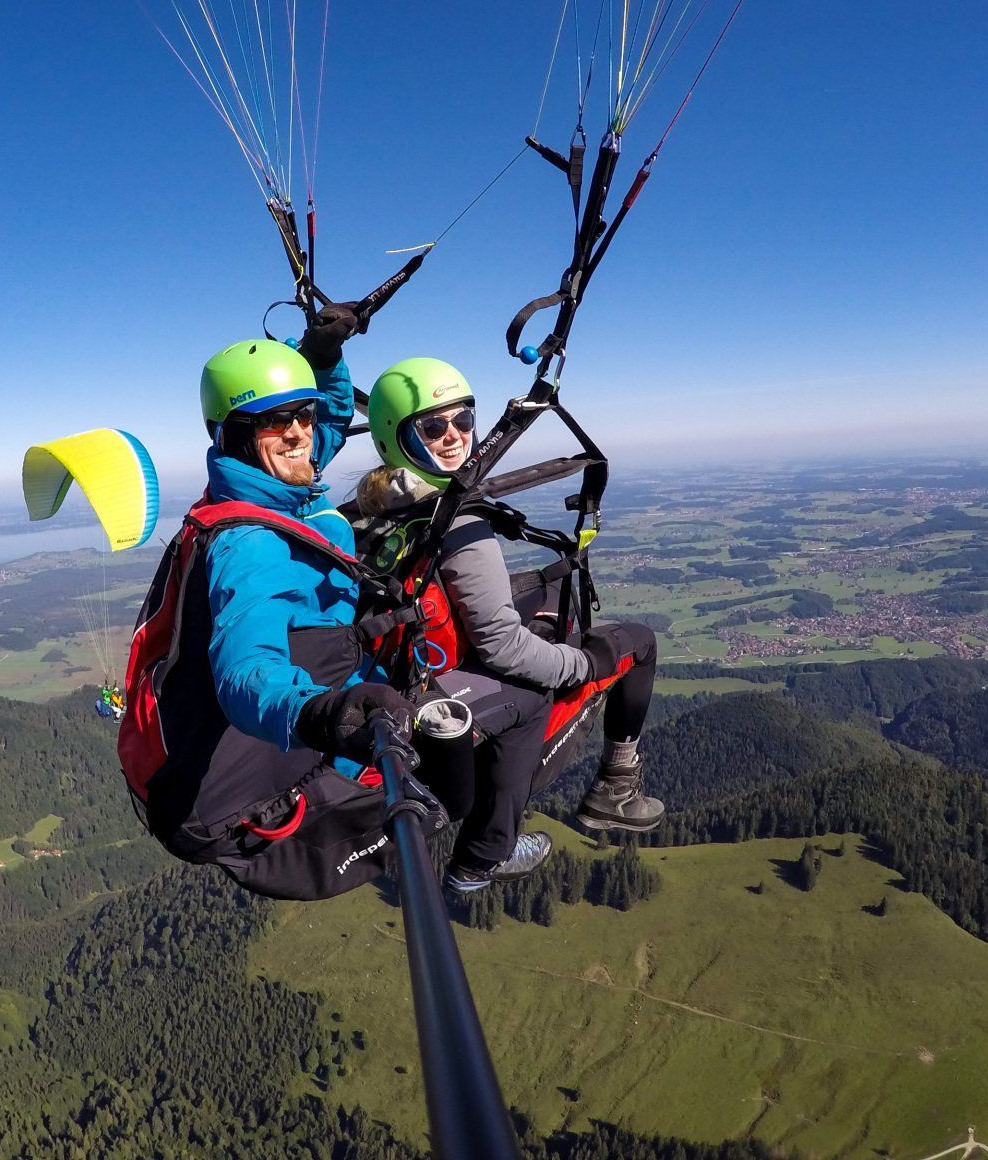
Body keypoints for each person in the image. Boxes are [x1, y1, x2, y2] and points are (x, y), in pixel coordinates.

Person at [129, 307, 420, 900]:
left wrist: (324, 355)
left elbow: (331, 418)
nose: (298, 432)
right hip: (302, 717)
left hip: (329, 674)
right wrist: (321, 715)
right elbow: (246, 672)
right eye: (273, 420)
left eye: (301, 415)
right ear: (236, 434)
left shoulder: (272, 486)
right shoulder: (249, 546)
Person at [353, 357, 663, 893]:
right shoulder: (457, 517)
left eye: (463, 420)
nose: (453, 436)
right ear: (395, 437)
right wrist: (583, 664)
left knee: (541, 600)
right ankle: (491, 852)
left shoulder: (375, 503)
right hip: (426, 684)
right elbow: (500, 648)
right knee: (614, 655)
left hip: (405, 652)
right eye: (431, 426)